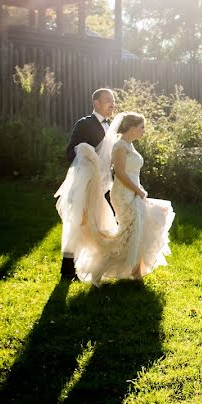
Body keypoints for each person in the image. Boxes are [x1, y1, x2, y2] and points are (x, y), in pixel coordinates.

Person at [55, 111, 174, 286]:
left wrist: (139, 190)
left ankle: (136, 270)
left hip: (134, 191)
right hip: (123, 194)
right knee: (130, 231)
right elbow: (120, 172)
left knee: (138, 229)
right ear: (132, 128)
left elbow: (132, 173)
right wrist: (137, 190)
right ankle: (104, 267)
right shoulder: (119, 146)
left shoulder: (130, 146)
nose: (143, 131)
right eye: (142, 127)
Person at [61, 88, 116, 281]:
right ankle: (67, 271)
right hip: (86, 185)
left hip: (107, 185)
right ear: (96, 103)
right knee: (78, 224)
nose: (112, 104)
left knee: (107, 223)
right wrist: (88, 157)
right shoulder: (85, 124)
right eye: (108, 100)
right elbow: (71, 152)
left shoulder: (111, 126)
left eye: (114, 100)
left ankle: (102, 267)